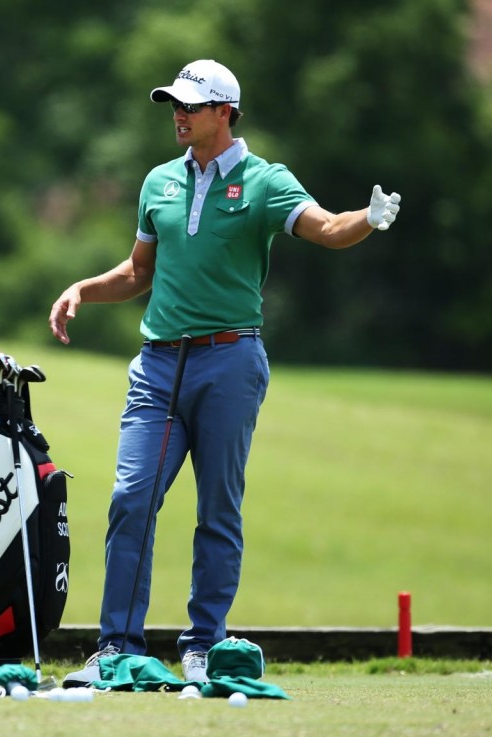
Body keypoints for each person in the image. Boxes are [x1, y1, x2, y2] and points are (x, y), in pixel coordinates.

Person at [49, 59, 400, 684]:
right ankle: (118, 646)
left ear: (225, 112)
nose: (177, 114)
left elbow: (323, 228)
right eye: (173, 104)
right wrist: (84, 288)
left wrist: (365, 222)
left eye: (190, 104)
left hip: (230, 361)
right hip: (159, 365)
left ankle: (203, 643)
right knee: (132, 497)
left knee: (218, 508)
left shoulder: (266, 181)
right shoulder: (159, 181)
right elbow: (137, 272)